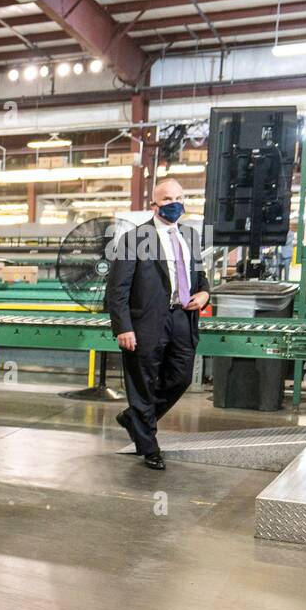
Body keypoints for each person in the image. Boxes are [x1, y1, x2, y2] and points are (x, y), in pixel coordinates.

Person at [108, 177, 211, 470]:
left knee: (181, 378)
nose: (174, 203)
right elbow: (117, 290)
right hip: (146, 323)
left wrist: (204, 293)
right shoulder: (134, 239)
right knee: (143, 383)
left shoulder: (189, 237)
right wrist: (123, 327)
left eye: (179, 198)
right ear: (154, 204)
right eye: (167, 199)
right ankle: (148, 446)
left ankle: (134, 418)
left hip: (182, 318)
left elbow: (200, 279)